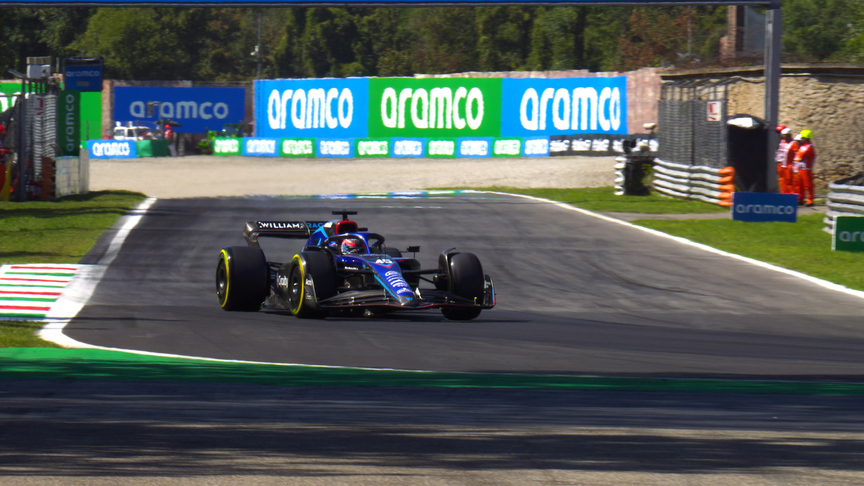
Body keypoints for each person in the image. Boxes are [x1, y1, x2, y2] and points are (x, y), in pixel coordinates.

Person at [793, 129, 816, 206]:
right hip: (800, 168)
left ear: (806, 138)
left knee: (808, 185)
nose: (800, 140)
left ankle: (810, 200)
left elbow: (800, 156)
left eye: (802, 138)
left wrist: (798, 154)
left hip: (806, 169)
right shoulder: (802, 146)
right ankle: (800, 199)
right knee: (800, 185)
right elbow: (797, 155)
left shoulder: (809, 147)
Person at [775, 125, 794, 193]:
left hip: (788, 164)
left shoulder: (792, 142)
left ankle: (790, 196)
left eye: (779, 132)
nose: (778, 134)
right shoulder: (781, 141)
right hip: (780, 162)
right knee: (781, 180)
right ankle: (783, 194)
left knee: (788, 181)